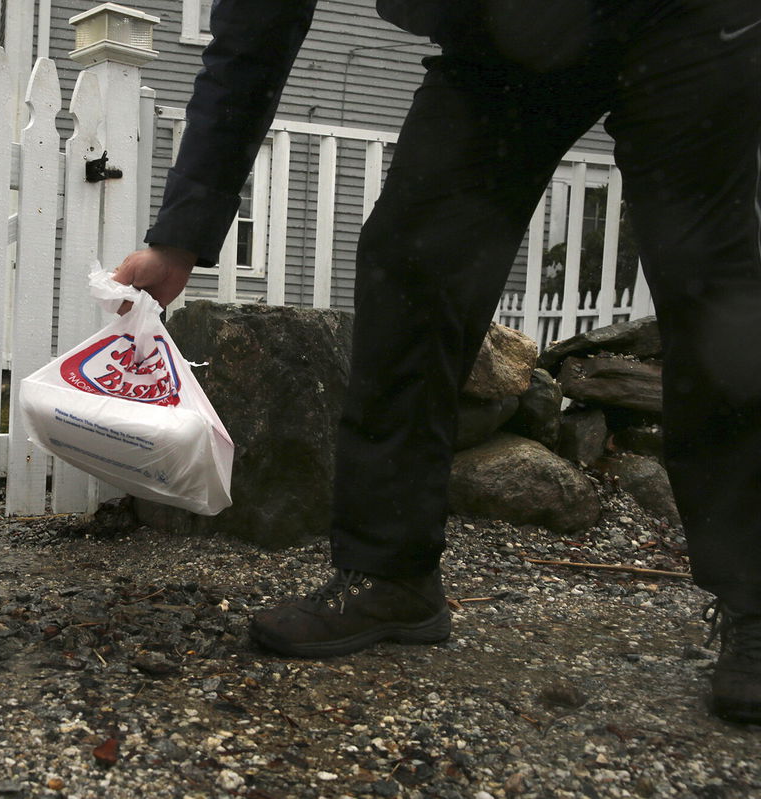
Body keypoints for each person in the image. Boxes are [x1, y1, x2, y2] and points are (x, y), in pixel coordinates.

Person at [112, 0, 761, 723]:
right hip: (506, 36)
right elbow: (250, 42)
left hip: (684, 20)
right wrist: (181, 234)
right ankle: (391, 574)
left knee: (711, 285)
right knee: (412, 258)